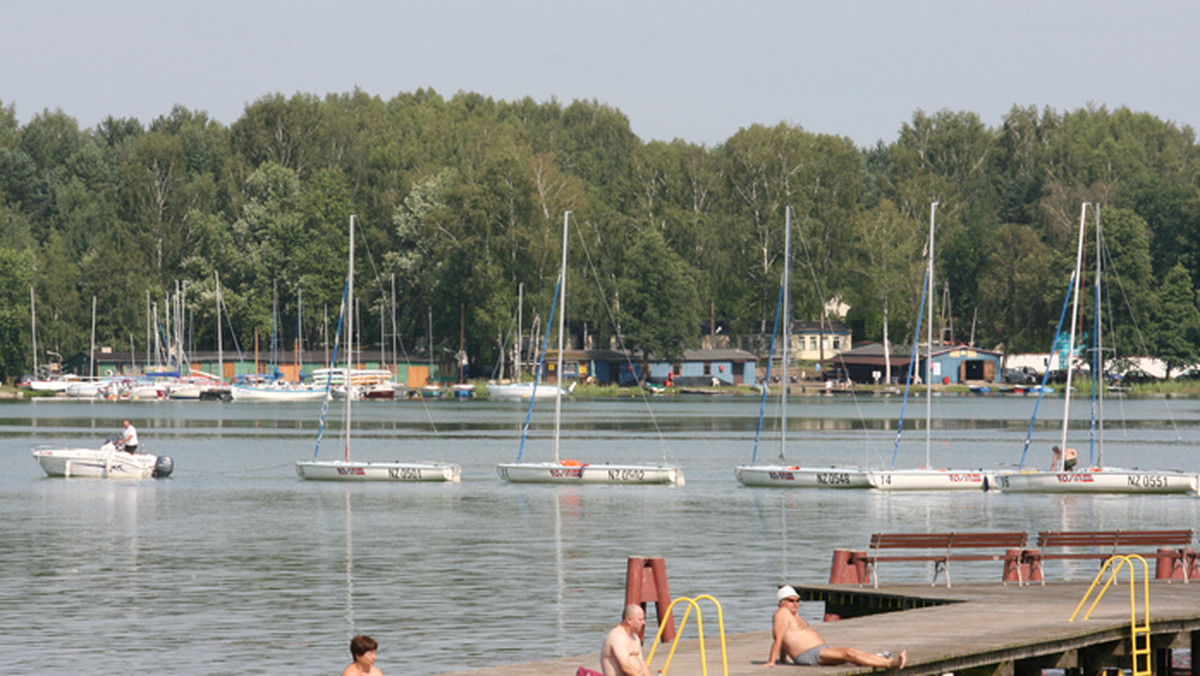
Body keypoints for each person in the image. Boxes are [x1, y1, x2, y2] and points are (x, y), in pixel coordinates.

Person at [762, 585, 905, 670]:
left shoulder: (793, 615)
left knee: (850, 654)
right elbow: (778, 638)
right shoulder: (782, 613)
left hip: (817, 651)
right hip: (809, 654)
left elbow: (787, 640)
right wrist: (772, 662)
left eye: (797, 601)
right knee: (849, 653)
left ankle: (880, 658)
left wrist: (783, 659)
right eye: (791, 600)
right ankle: (890, 663)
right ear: (781, 603)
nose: (795, 603)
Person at [600, 604, 652, 676]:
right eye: (640, 619)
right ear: (629, 620)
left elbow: (642, 663)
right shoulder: (617, 636)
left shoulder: (635, 637)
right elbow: (625, 667)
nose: (643, 623)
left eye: (643, 619)